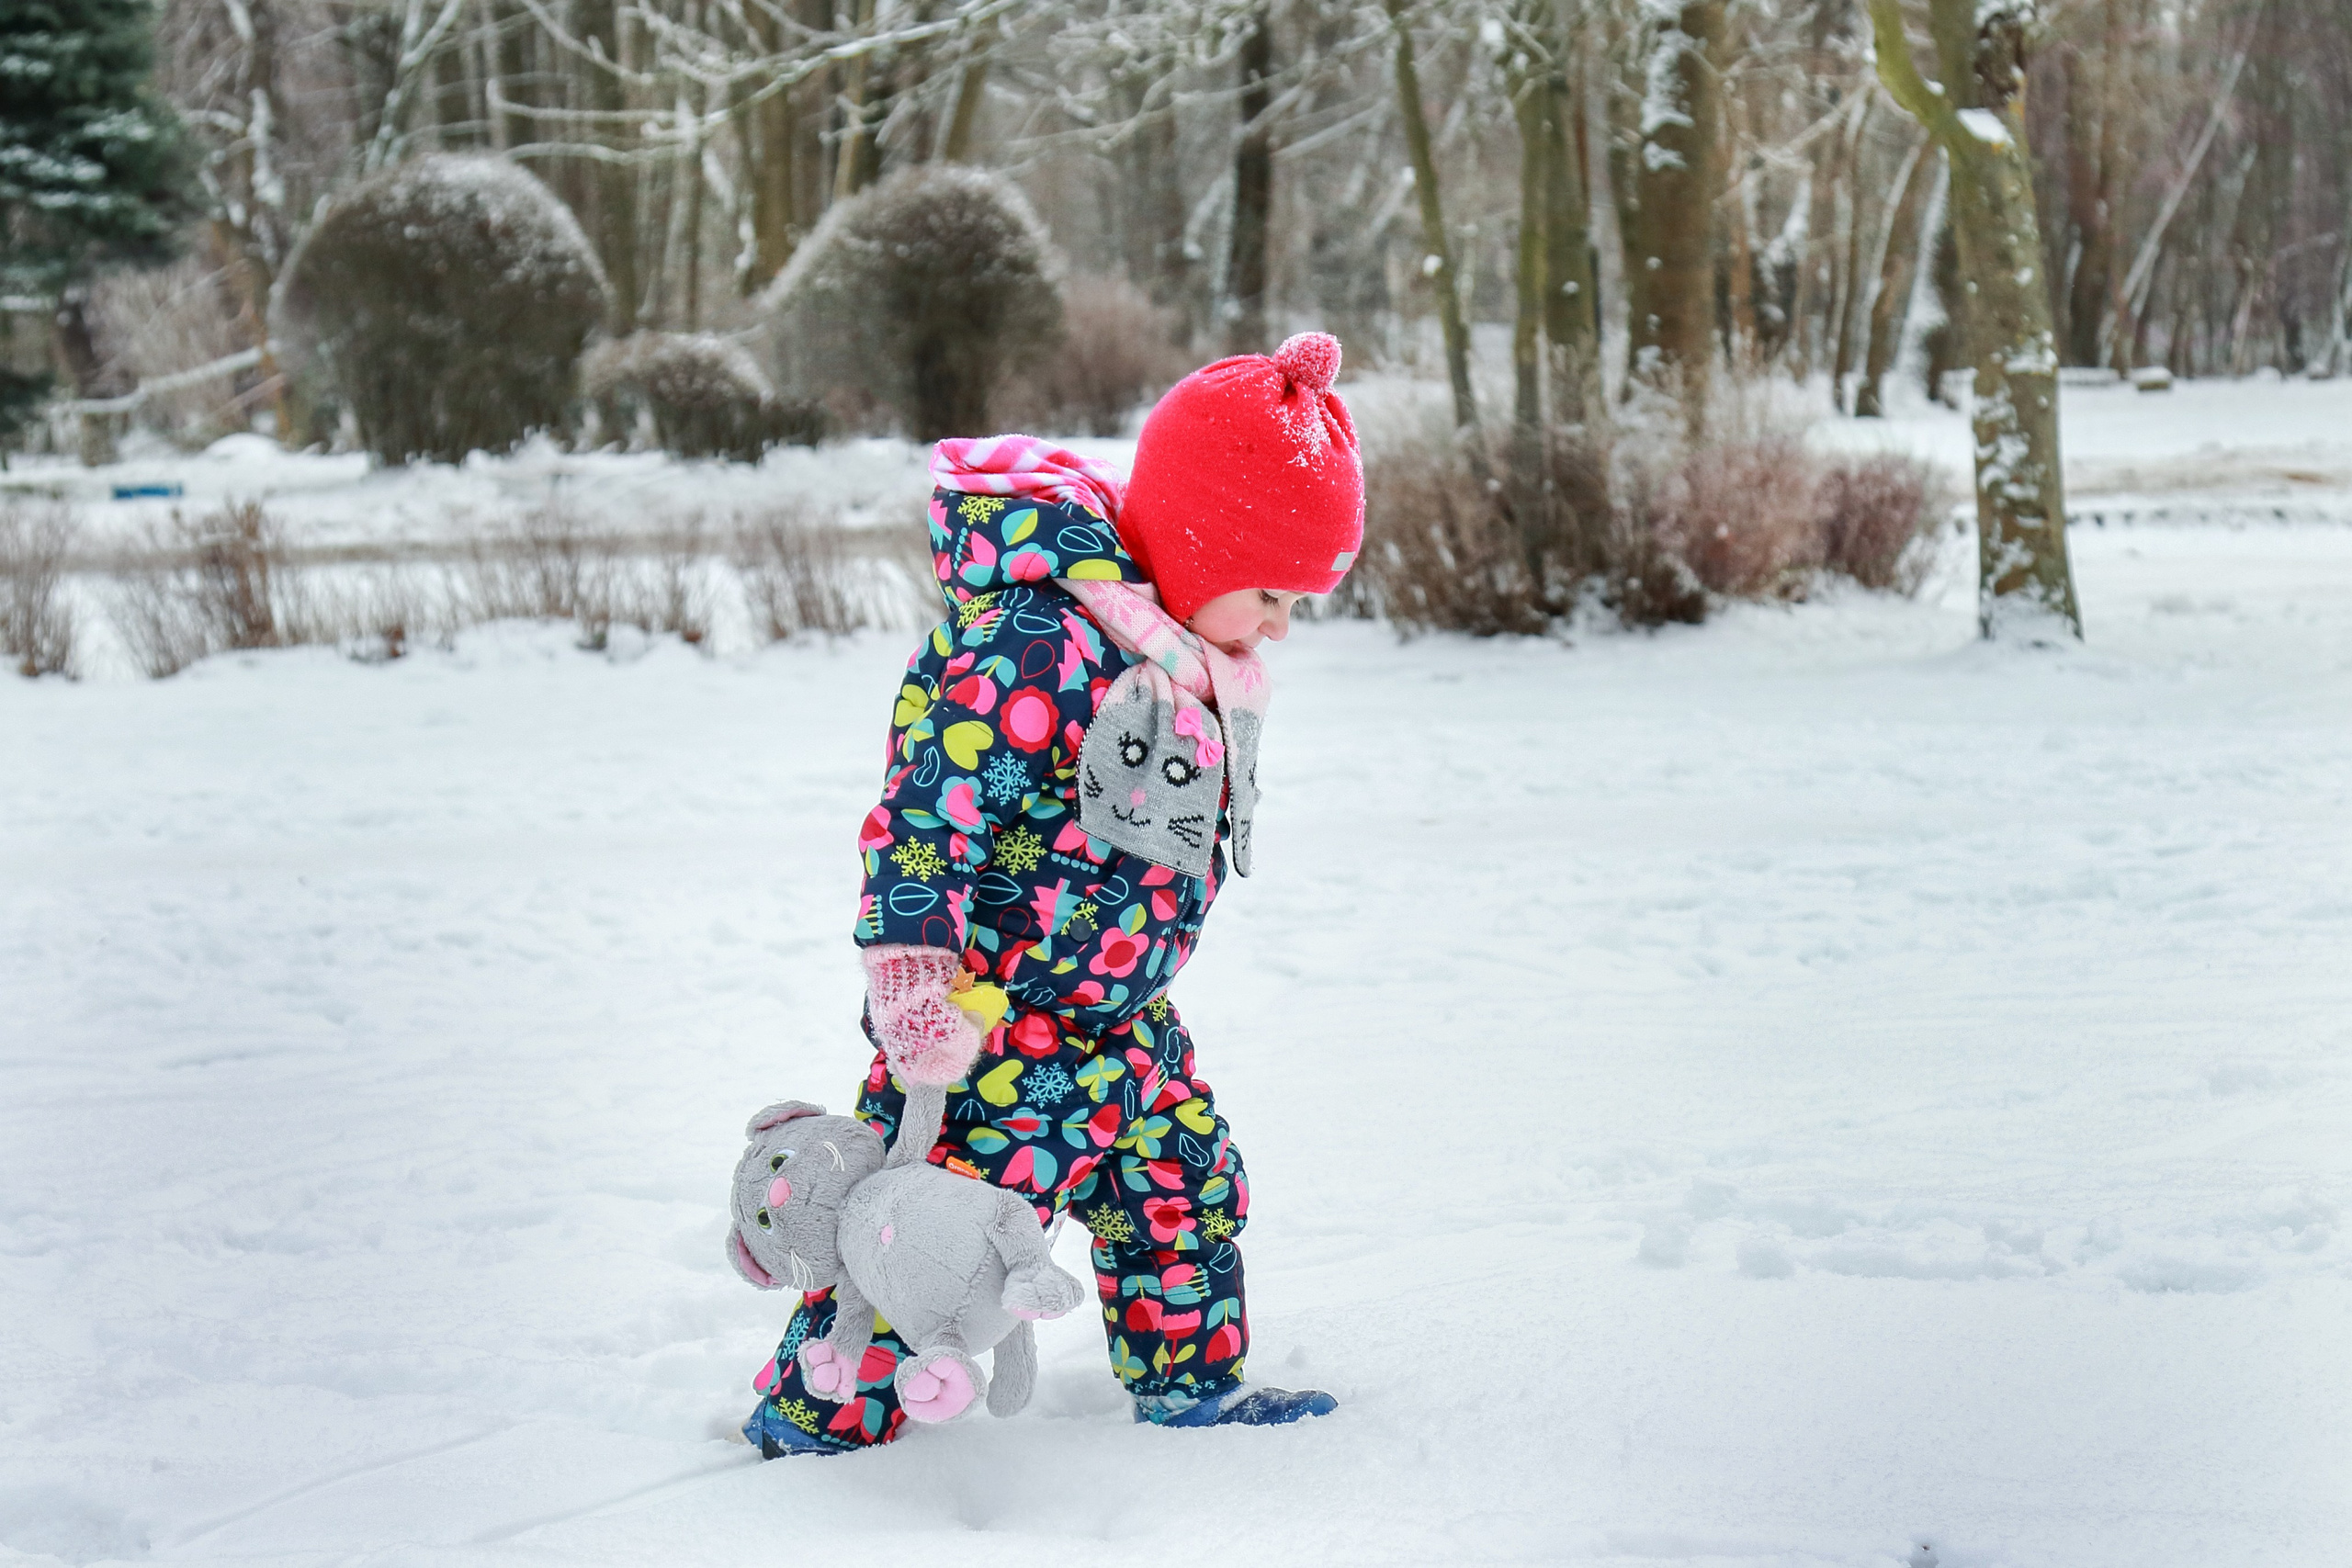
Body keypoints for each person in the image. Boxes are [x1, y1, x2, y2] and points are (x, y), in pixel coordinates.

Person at [742, 332, 1364, 1456]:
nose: (1279, 624)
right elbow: (926, 808)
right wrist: (918, 977)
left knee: (1185, 1191)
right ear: (1197, 542)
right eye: (1271, 591)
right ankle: (817, 1424)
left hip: (1124, 1027)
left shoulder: (1173, 657)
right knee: (932, 1236)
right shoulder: (1036, 642)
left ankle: (1192, 1385)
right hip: (992, 1034)